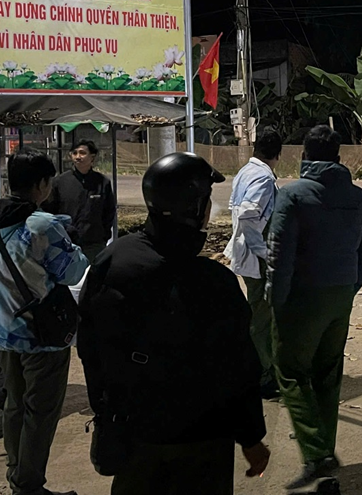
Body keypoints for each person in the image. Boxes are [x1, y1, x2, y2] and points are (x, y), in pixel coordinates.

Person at [77, 152, 270, 495]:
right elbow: (238, 369)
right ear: (194, 208)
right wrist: (251, 438)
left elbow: (90, 346)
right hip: (202, 441)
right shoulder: (214, 283)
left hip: (133, 434)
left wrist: (107, 410)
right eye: (207, 201)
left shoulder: (113, 260)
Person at [0, 149, 89, 495]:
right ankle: (28, 485)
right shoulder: (42, 226)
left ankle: (17, 474)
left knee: (15, 405)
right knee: (41, 413)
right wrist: (71, 243)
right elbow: (73, 271)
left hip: (2, 331)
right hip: (41, 335)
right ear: (41, 184)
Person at [267, 125, 362, 490]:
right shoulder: (359, 197)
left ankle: (316, 453)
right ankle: (325, 448)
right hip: (340, 294)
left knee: (290, 371)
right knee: (328, 373)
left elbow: (279, 255)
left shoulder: (293, 195)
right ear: (339, 158)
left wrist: (275, 299)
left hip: (302, 296)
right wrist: (350, 287)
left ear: (303, 156)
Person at [223, 128, 283, 399]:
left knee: (258, 313)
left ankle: (261, 369)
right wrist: (264, 252)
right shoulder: (264, 178)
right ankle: (263, 376)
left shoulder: (245, 172)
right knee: (262, 317)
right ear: (278, 154)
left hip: (245, 253)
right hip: (256, 258)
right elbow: (249, 214)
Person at [42, 139, 116, 263]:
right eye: (74, 153)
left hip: (94, 245)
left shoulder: (103, 182)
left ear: (92, 157)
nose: (78, 157)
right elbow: (50, 211)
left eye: (82, 153)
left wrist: (104, 237)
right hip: (66, 244)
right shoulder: (60, 182)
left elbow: (109, 212)